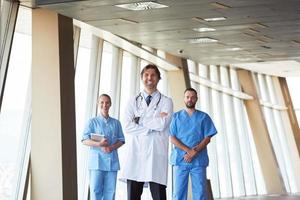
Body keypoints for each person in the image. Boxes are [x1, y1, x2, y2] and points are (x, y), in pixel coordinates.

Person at [120, 64, 173, 200]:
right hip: (136, 154)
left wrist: (139, 120)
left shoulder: (166, 101)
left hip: (156, 153)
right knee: (133, 196)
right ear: (142, 78)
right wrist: (152, 123)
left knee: (159, 196)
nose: (149, 78)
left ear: (158, 78)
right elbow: (127, 126)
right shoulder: (133, 101)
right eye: (146, 75)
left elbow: (162, 124)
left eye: (153, 75)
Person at [169, 88, 217, 200]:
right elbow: (172, 138)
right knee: (178, 193)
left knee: (200, 192)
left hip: (198, 160)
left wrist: (194, 152)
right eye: (187, 97)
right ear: (184, 98)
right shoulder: (175, 117)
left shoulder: (204, 117)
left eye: (192, 97)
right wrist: (189, 151)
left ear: (196, 99)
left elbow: (207, 138)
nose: (190, 99)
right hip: (180, 160)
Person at [82, 94, 125, 200]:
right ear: (98, 104)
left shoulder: (116, 123)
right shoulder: (92, 122)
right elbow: (84, 140)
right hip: (97, 162)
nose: (104, 105)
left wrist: (112, 147)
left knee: (110, 192)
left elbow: (121, 140)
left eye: (107, 102)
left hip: (112, 162)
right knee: (95, 191)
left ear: (110, 104)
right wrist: (99, 144)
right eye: (102, 102)